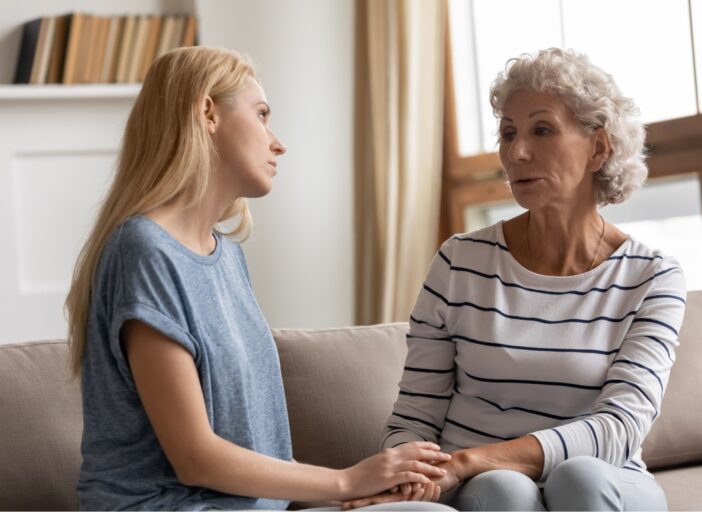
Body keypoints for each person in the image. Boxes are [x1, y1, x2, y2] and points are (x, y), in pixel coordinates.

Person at [65, 46, 454, 511]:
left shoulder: (228, 257)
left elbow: (257, 456)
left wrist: (361, 489)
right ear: (207, 113)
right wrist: (348, 481)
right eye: (262, 115)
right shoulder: (144, 250)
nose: (278, 142)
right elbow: (194, 459)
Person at [345, 48, 687, 511]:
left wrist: (470, 460)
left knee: (581, 477)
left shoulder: (652, 277)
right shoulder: (460, 262)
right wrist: (411, 472)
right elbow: (414, 417)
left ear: (598, 148)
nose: (516, 153)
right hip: (481, 488)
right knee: (504, 488)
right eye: (508, 133)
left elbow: (620, 427)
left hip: (603, 478)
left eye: (542, 130)